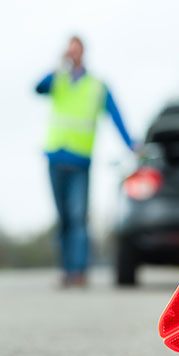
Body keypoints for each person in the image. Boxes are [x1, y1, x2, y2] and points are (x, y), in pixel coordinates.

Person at [36, 36, 135, 287]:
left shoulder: (97, 85)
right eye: (69, 51)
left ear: (84, 53)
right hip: (56, 157)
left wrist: (132, 145)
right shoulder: (58, 80)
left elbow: (116, 116)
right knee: (63, 218)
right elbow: (37, 88)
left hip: (80, 160)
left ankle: (78, 271)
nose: (73, 55)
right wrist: (58, 66)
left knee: (78, 216)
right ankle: (66, 269)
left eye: (76, 51)